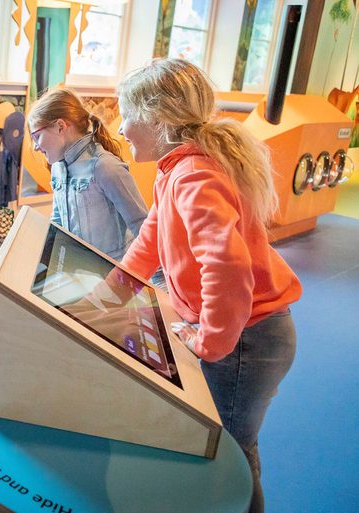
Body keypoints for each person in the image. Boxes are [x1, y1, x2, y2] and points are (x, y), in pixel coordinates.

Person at [116, 58, 302, 513]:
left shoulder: (194, 174)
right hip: (243, 332)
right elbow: (151, 240)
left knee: (233, 452)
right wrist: (111, 292)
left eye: (128, 116)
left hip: (247, 339)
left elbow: (227, 264)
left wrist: (211, 341)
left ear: (158, 120)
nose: (120, 128)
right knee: (226, 446)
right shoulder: (175, 169)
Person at [28, 86, 148, 261]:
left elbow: (142, 226)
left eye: (37, 137)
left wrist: (152, 283)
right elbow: (58, 222)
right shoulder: (57, 168)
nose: (36, 147)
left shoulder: (105, 166)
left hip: (112, 272)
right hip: (77, 269)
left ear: (60, 127)